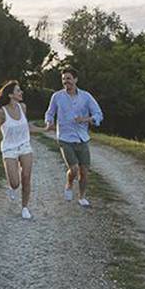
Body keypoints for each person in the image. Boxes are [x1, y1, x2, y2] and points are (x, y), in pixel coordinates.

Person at [43, 67, 103, 207]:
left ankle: (82, 197)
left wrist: (87, 119)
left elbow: (98, 114)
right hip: (65, 138)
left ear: (75, 79)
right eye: (63, 79)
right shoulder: (57, 96)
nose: (66, 82)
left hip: (82, 138)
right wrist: (49, 122)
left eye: (68, 78)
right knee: (74, 169)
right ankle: (69, 183)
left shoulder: (86, 96)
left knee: (84, 171)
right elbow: (50, 113)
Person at [0, 80, 34, 220]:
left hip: (25, 145)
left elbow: (27, 127)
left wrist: (45, 129)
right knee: (15, 183)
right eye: (18, 91)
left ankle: (25, 207)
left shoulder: (23, 107)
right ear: (10, 95)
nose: (21, 92)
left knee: (26, 177)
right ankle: (12, 187)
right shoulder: (1, 113)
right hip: (9, 149)